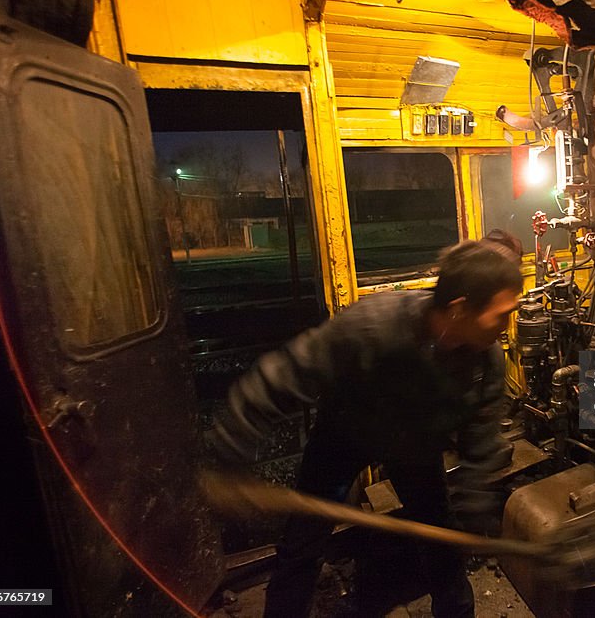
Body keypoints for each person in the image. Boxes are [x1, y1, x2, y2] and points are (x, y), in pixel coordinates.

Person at [210, 237, 524, 618]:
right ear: (460, 309)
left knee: (444, 541)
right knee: (302, 545)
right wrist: (228, 454)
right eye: (501, 313)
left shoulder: (484, 359)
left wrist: (476, 513)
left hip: (414, 446)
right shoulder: (373, 326)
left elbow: (481, 441)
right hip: (344, 436)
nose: (508, 322)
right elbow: (282, 377)